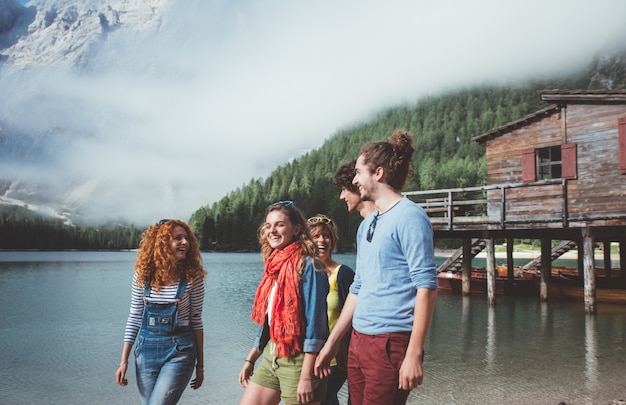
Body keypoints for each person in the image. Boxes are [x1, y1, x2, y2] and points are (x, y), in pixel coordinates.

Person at [315, 130, 438, 405]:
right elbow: (358, 288)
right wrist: (333, 344)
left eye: (359, 172)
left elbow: (426, 286)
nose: (355, 179)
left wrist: (414, 353)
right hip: (359, 340)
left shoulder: (410, 216)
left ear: (378, 173)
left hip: (390, 343)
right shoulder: (367, 225)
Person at [239, 200, 330, 405]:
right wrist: (251, 358)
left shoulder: (309, 266)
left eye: (280, 224)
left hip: (300, 362)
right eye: (268, 225)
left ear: (296, 229)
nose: (272, 230)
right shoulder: (274, 266)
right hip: (273, 356)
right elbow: (269, 321)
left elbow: (316, 326)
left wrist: (306, 376)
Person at [116, 219, 206, 405]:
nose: (185, 243)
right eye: (177, 238)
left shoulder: (193, 277)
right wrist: (123, 361)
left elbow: (196, 320)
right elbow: (134, 317)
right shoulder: (143, 274)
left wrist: (201, 366)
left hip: (179, 351)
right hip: (145, 352)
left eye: (186, 238)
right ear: (163, 244)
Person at [306, 214, 354, 405]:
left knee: (315, 400)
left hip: (335, 359)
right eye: (315, 236)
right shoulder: (304, 273)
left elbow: (353, 316)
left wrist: (344, 350)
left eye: (326, 236)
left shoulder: (343, 274)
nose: (321, 241)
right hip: (307, 356)